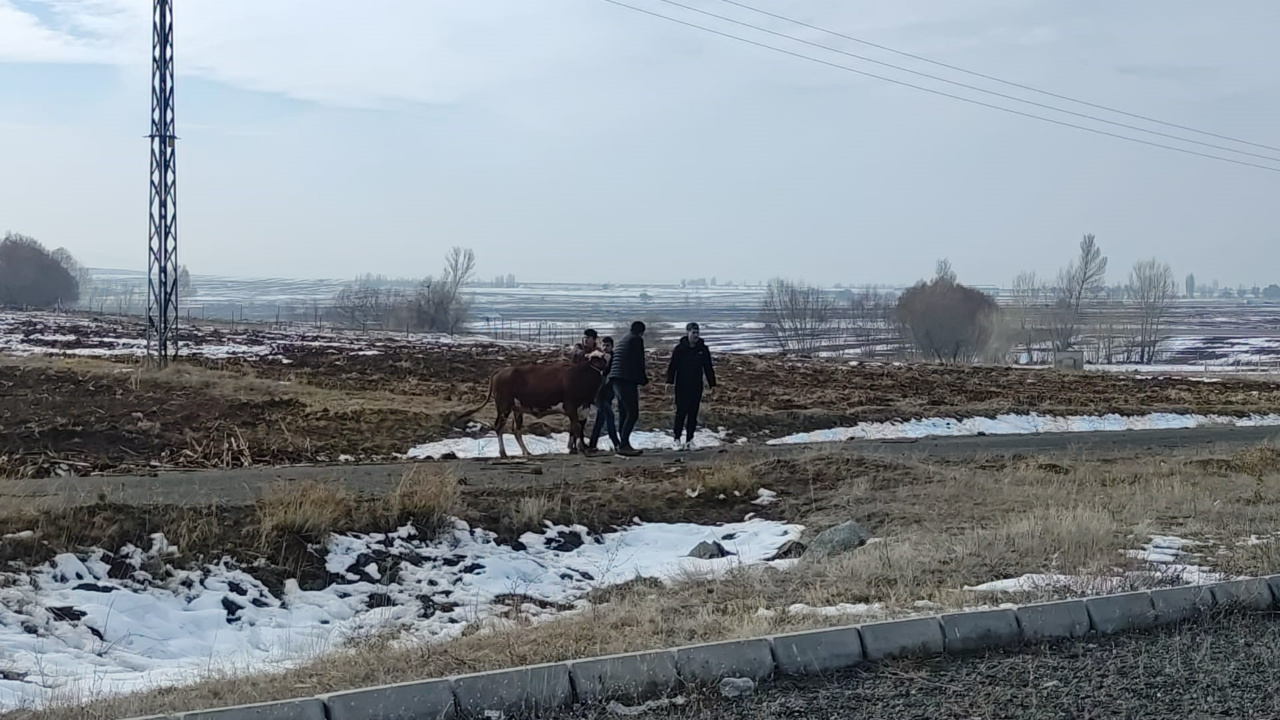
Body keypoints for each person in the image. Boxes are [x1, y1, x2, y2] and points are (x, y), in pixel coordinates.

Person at [666, 322, 716, 450]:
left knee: (693, 414)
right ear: (687, 333)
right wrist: (669, 382)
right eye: (693, 332)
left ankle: (690, 440)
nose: (696, 335)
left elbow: (708, 367)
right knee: (681, 413)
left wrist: (713, 384)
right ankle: (676, 439)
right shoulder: (680, 349)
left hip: (696, 385)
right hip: (682, 385)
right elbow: (673, 366)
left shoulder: (703, 349)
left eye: (697, 332)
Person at [607, 321, 648, 456]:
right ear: (641, 332)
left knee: (624, 413)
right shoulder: (636, 340)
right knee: (633, 413)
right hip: (626, 380)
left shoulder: (624, 339)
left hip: (616, 380)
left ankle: (622, 444)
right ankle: (624, 444)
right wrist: (644, 380)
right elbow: (638, 361)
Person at [586, 336, 620, 452]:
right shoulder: (597, 358)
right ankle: (616, 443)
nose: (605, 348)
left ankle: (592, 444)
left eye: (608, 345)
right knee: (609, 416)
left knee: (600, 419)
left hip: (608, 393)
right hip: (599, 393)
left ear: (612, 346)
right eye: (604, 345)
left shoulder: (615, 358)